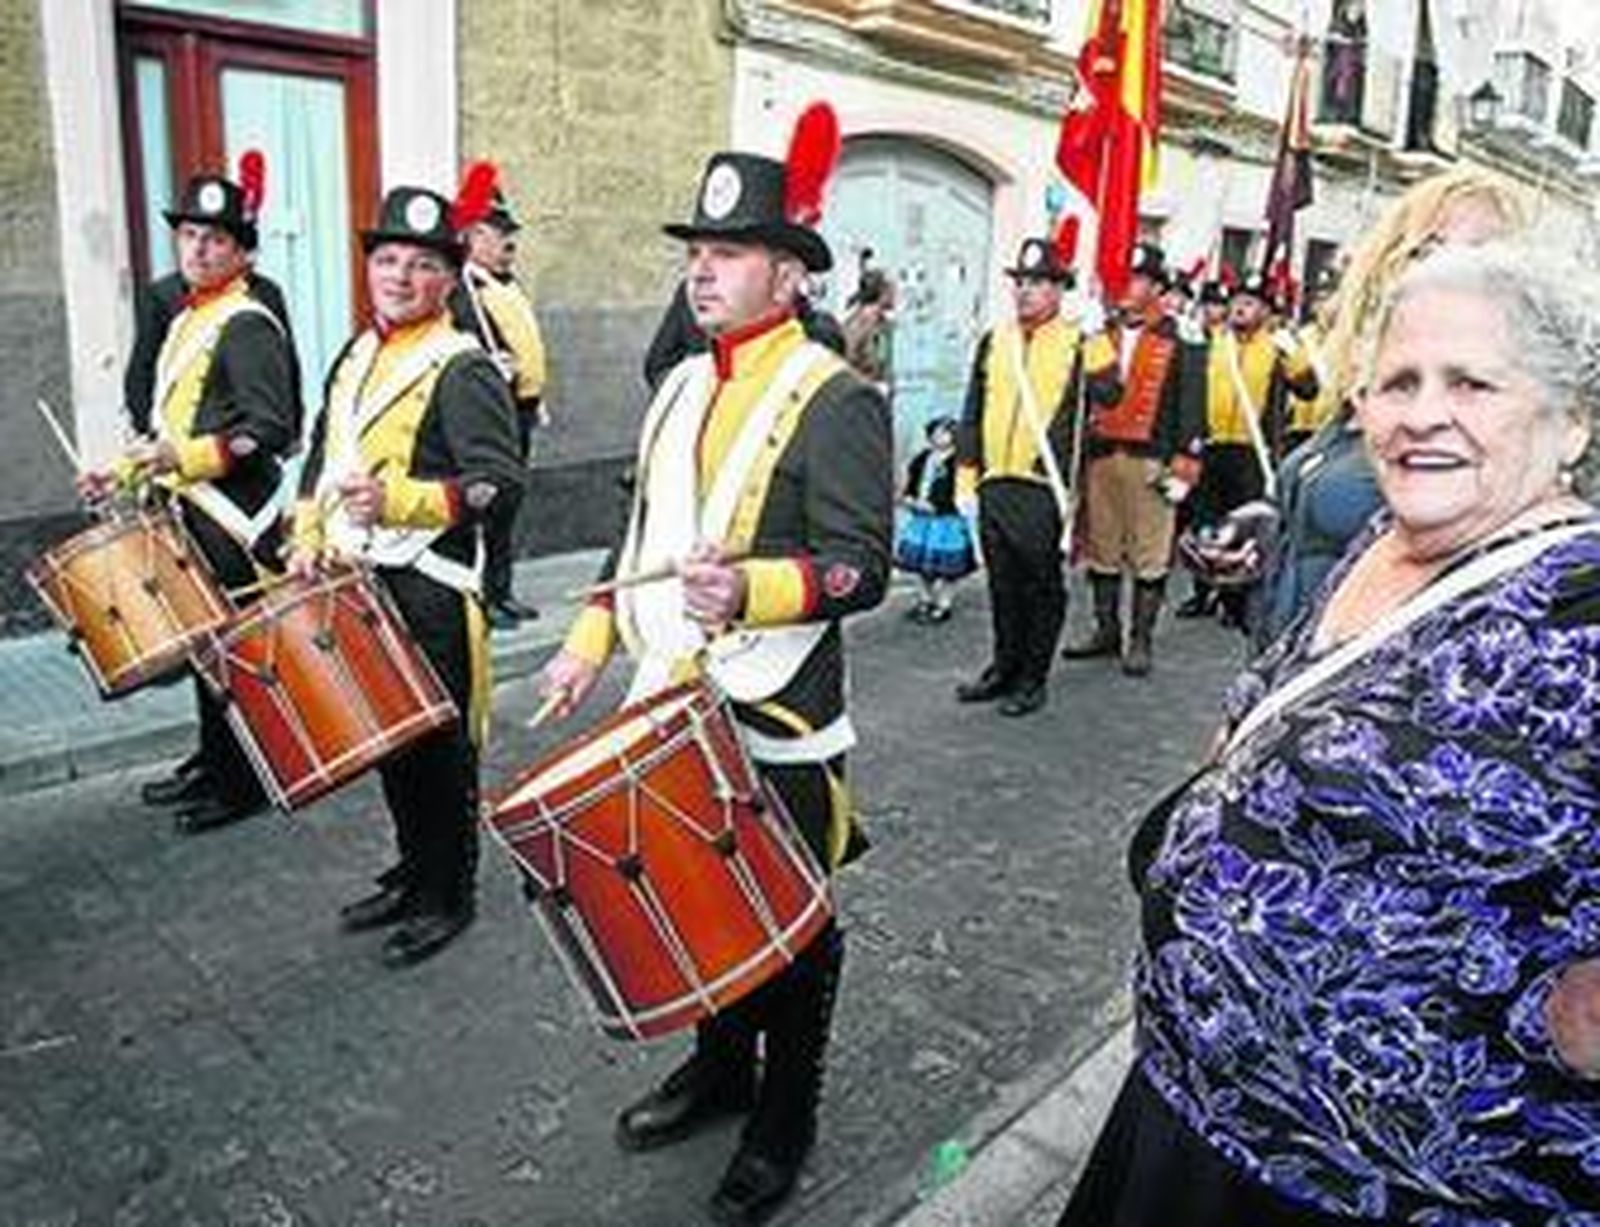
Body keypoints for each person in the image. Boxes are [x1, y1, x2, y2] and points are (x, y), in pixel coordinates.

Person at [1060, 239, 1600, 1226]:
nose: (1420, 412)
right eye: (1397, 380)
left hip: (1371, 1186)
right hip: (1190, 1116)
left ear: (1570, 423)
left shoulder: (1583, 604)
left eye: (1471, 383)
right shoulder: (1391, 537)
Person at [537, 116, 891, 1226]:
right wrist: (585, 642)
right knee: (697, 909)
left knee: (790, 928)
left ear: (786, 275)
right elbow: (641, 537)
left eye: (727, 253)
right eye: (695, 250)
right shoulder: (681, 386)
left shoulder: (835, 397)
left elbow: (859, 570)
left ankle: (784, 1119)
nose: (701, 268)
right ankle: (718, 1073)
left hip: (776, 711)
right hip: (671, 699)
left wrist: (754, 588)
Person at [287, 185, 522, 968]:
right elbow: (324, 455)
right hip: (359, 578)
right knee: (390, 743)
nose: (399, 275)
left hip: (431, 588)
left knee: (440, 750)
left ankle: (448, 893)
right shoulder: (357, 353)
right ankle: (411, 870)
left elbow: (499, 484)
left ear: (449, 279)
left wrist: (404, 499)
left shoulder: (461, 367)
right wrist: (306, 532)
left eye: (421, 264)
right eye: (387, 259)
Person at [90, 159, 302, 833]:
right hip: (197, 508)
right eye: (188, 236)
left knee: (230, 655)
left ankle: (240, 782)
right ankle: (215, 763)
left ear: (242, 252)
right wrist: (122, 473)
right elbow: (172, 421)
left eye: (215, 239)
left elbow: (267, 428)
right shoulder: (189, 317)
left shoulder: (245, 321)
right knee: (206, 654)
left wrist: (182, 456)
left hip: (234, 516)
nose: (198, 248)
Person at [1236, 167, 1531, 645]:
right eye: (1431, 249)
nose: (1457, 270)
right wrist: (1269, 526)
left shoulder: (1502, 423)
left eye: (1487, 255)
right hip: (1281, 676)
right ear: (1391, 262)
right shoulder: (1371, 384)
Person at [953, 235, 1118, 716]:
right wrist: (967, 478)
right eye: (1021, 282)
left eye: (1038, 283)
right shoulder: (995, 339)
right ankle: (1003, 668)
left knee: (1040, 587)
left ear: (1059, 290)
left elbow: (1111, 394)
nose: (1025, 291)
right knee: (1002, 585)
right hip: (995, 482)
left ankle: (1031, 677)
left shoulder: (1077, 339)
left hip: (1042, 484)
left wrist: (1099, 337)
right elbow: (973, 410)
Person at [1061, 241, 1203, 677]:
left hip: (1151, 458)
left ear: (1157, 287)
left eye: (1137, 278)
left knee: (1149, 555)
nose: (1126, 286)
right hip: (1103, 455)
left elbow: (1190, 405)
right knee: (1102, 550)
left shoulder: (1180, 337)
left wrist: (1185, 464)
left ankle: (1140, 639)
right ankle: (1106, 630)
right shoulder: (1098, 331)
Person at [1176, 269, 1319, 625]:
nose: (1241, 308)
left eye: (1251, 302)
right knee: (1206, 521)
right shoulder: (1212, 342)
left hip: (1252, 451)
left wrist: (1296, 357)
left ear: (1266, 312)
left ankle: (1236, 600)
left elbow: (1308, 390)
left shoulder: (1276, 348)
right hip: (1211, 447)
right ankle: (1203, 592)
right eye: (1238, 301)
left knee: (1245, 526)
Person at [449, 168, 549, 630]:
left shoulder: (508, 284)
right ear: (471, 236)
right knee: (486, 511)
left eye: (510, 233)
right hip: (491, 417)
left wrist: (534, 395)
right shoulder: (461, 292)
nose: (509, 242)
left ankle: (502, 592)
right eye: (497, 232)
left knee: (508, 510)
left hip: (520, 413)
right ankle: (482, 598)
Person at [894, 415, 974, 623]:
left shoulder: (960, 462)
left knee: (948, 569)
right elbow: (911, 482)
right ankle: (925, 600)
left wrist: (938, 507)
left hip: (947, 521)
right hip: (921, 519)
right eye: (938, 431)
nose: (941, 435)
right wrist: (908, 499)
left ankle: (943, 604)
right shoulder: (922, 457)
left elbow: (962, 491)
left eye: (947, 431)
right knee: (917, 564)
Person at [841, 251, 895, 397]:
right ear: (882, 292)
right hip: (861, 398)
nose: (895, 294)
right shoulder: (857, 324)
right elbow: (845, 363)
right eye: (891, 289)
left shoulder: (884, 325)